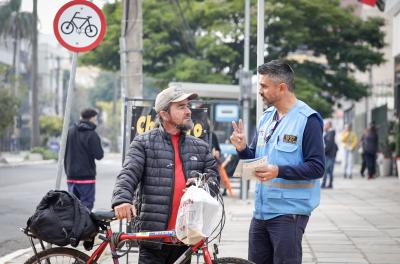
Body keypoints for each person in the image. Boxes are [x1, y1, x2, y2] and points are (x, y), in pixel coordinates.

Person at [230, 60, 325, 264]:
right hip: (261, 212)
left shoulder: (308, 120)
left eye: (264, 86)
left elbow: (317, 167)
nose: (260, 91)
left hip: (289, 213)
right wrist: (242, 149)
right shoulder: (267, 118)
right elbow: (255, 159)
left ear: (282, 88)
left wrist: (278, 171)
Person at [111, 86, 219, 264]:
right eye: (181, 107)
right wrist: (122, 200)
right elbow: (128, 173)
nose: (188, 111)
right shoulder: (144, 142)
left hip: (186, 237)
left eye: (188, 105)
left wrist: (203, 184)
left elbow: (214, 181)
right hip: (153, 239)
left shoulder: (200, 147)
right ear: (164, 114)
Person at [64, 108, 104, 211]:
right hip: (86, 177)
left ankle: (73, 226)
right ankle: (84, 226)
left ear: (81, 117)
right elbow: (99, 155)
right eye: (95, 119)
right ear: (92, 118)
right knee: (86, 206)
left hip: (71, 175)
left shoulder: (69, 131)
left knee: (72, 205)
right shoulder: (92, 134)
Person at [321, 120, 338, 189]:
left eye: (326, 125)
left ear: (329, 125)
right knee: (329, 169)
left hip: (330, 154)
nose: (324, 126)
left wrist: (323, 151)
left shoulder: (331, 132)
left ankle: (326, 183)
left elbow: (329, 144)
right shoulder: (328, 132)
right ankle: (328, 183)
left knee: (327, 169)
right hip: (329, 153)